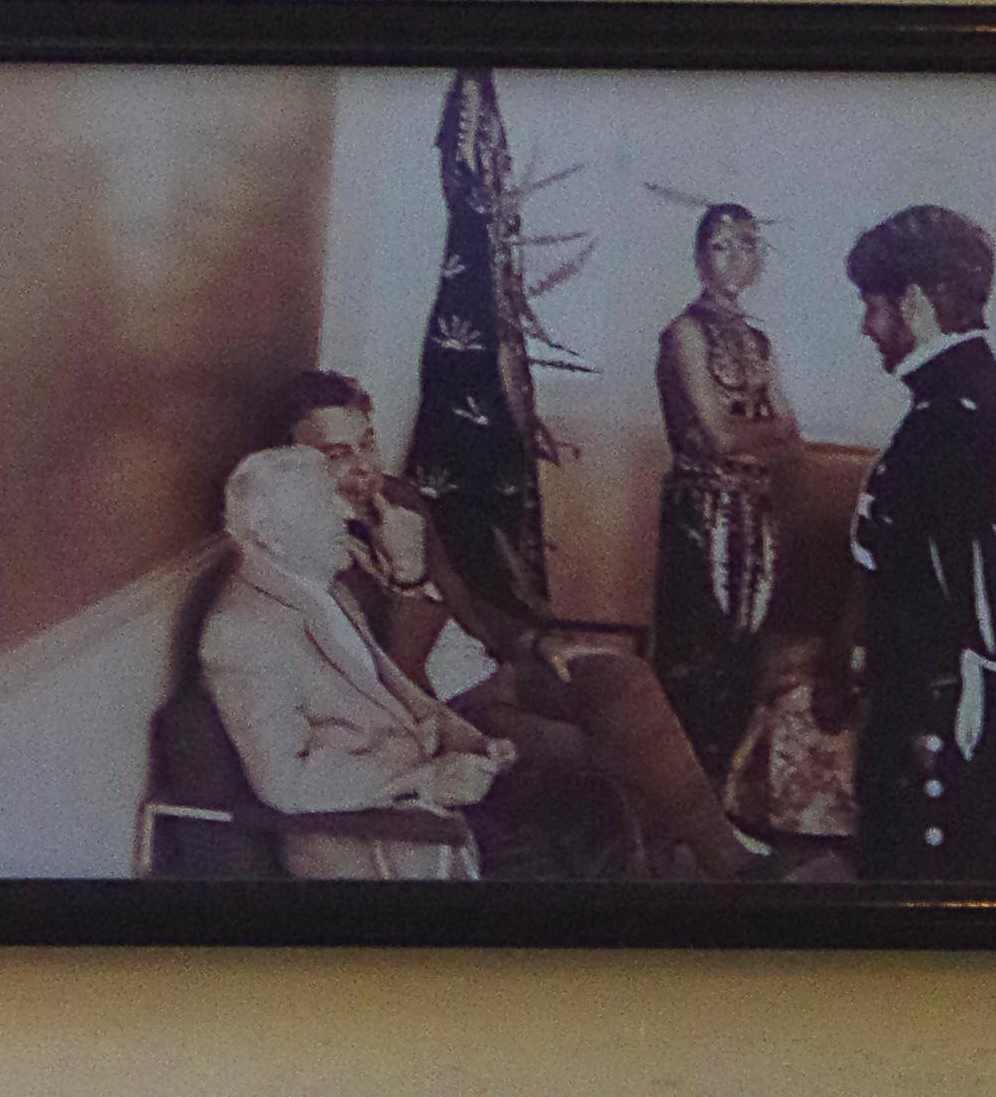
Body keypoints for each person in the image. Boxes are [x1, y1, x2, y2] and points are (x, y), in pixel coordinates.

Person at [274, 375, 762, 883]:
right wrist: (408, 575)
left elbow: (466, 600)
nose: (364, 468)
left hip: (493, 668)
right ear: (289, 461)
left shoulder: (396, 498)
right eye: (336, 454)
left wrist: (534, 640)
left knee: (621, 675)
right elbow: (388, 683)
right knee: (589, 748)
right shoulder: (304, 547)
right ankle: (646, 882)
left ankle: (730, 864)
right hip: (445, 708)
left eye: (367, 443)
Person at [832, 205, 996, 879]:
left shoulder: (950, 424)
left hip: (934, 728)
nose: (866, 325)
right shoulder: (979, 403)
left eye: (872, 305)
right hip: (934, 717)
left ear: (914, 303)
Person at [196, 445, 503, 882]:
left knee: (589, 802)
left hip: (422, 803)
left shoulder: (323, 589)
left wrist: (469, 740)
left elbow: (389, 684)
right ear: (269, 532)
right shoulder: (242, 631)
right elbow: (284, 783)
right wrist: (423, 779)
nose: (343, 513)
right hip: (377, 842)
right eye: (323, 502)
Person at [650, 204, 802, 786]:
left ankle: (724, 800)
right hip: (701, 510)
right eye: (721, 244)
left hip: (757, 511)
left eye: (747, 244)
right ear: (698, 256)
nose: (736, 256)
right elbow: (717, 437)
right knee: (697, 651)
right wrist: (762, 436)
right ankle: (680, 797)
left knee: (746, 649)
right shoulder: (685, 332)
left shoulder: (760, 340)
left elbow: (793, 438)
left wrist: (753, 440)